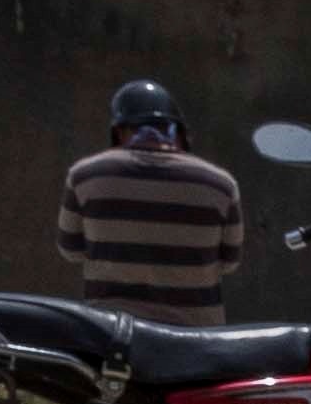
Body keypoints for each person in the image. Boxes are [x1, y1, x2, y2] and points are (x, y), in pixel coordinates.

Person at [53, 82, 244, 325]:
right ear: (178, 132)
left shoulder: (84, 176)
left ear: (120, 131)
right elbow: (229, 262)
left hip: (110, 334)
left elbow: (71, 250)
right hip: (195, 340)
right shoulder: (221, 185)